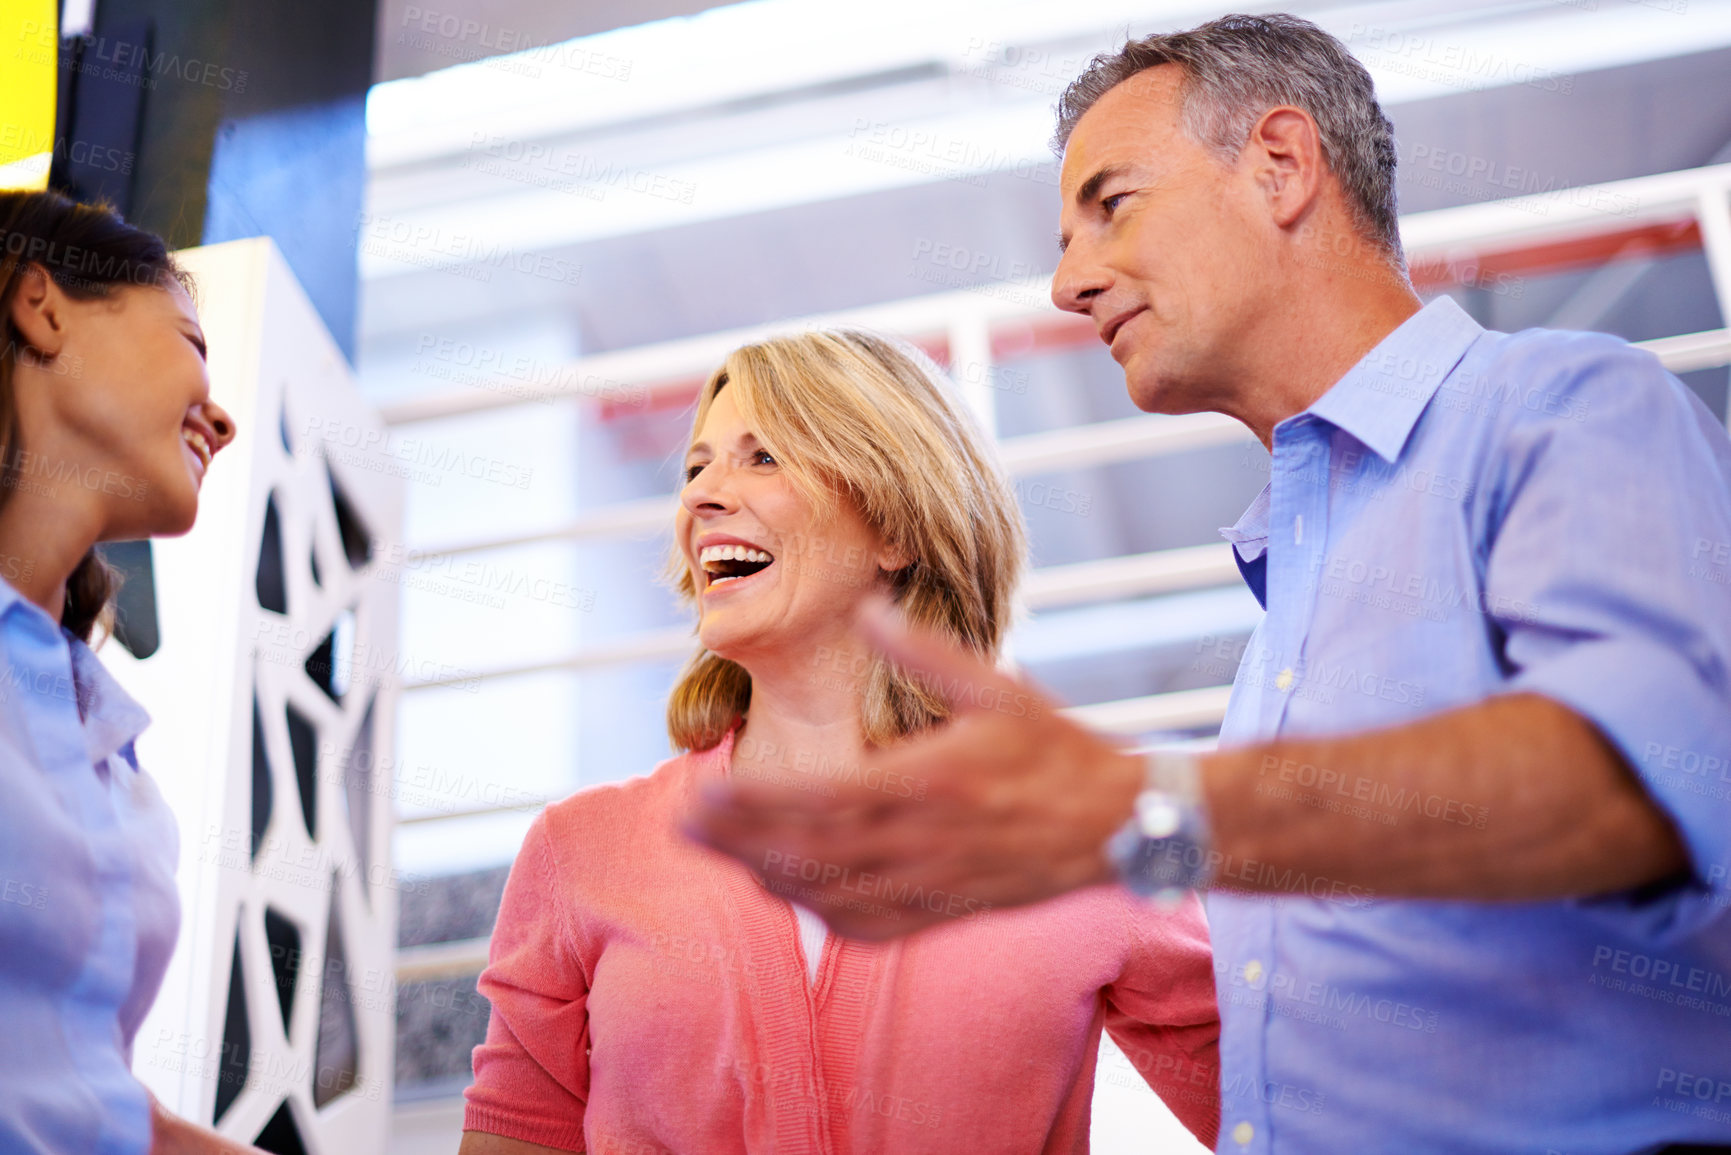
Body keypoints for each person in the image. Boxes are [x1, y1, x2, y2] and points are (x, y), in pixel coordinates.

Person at [689, 14, 1731, 1155]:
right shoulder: (1289, 613)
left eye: (1112, 206)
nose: (1068, 281)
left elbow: (1631, 787)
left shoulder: (1564, 410)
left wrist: (1140, 814)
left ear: (1280, 166)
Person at [459, 330, 1220, 1154]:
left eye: (763, 458)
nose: (703, 495)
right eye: (695, 468)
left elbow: (1287, 1110)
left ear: (895, 525)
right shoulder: (581, 850)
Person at [0, 191, 264, 1153]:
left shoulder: (101, 738)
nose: (222, 417)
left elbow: (93, 1107)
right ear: (44, 305)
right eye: (192, 343)